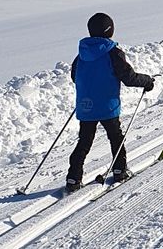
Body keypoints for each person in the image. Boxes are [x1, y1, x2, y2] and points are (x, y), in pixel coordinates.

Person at [66, 12, 154, 192]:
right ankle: (119, 169)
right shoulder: (112, 52)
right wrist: (147, 81)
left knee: (84, 141)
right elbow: (128, 77)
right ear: (109, 30)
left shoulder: (81, 54)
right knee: (116, 138)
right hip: (108, 105)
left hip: (86, 105)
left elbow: (75, 76)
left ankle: (73, 178)